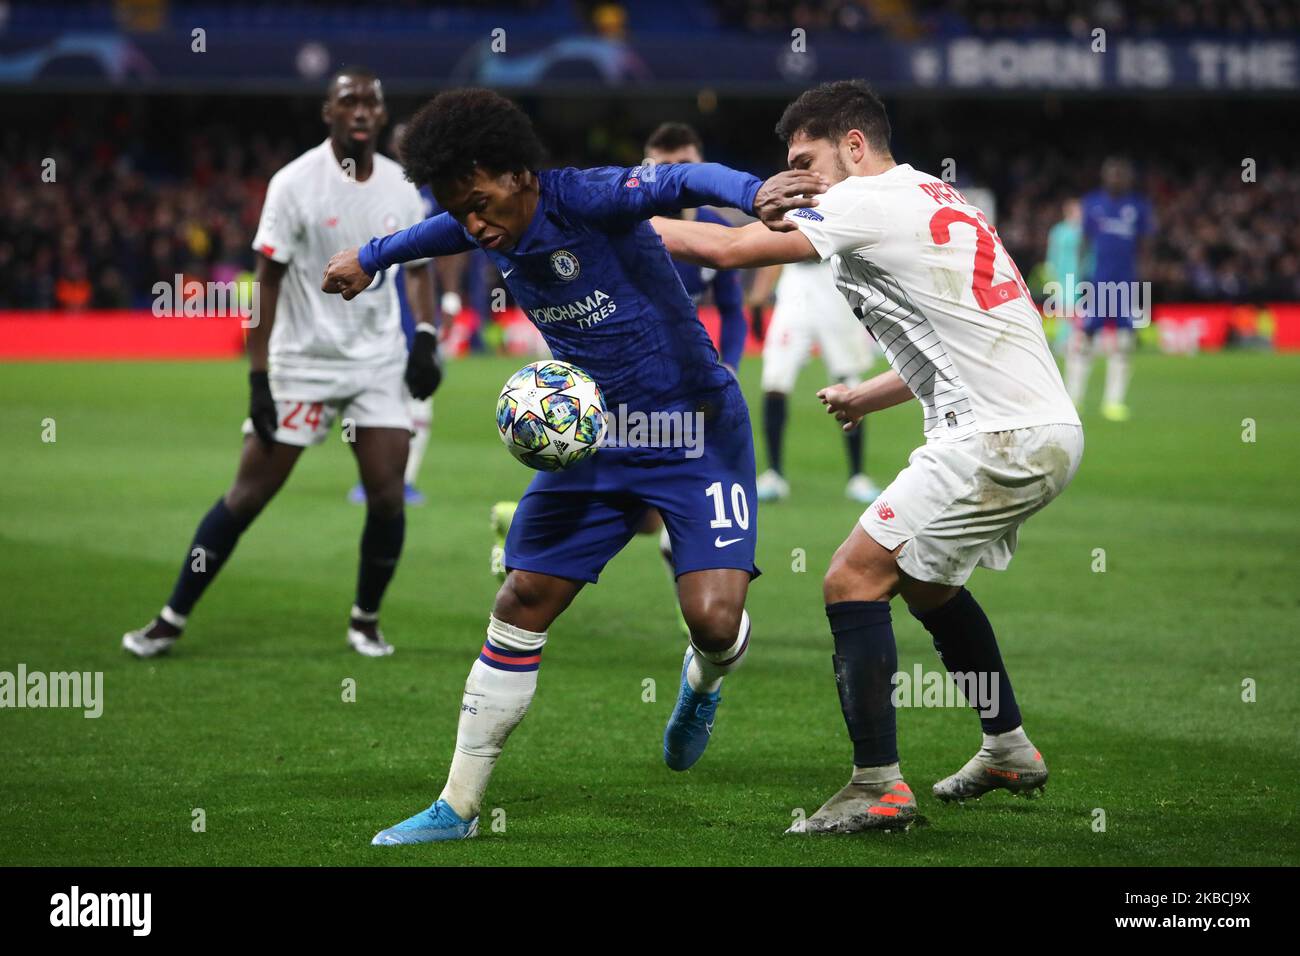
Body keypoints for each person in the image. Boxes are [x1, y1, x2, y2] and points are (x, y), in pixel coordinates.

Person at [320, 88, 817, 843]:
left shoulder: (586, 196)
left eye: (481, 202)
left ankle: (702, 682)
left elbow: (681, 181)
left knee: (715, 623)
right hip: (596, 444)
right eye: (463, 210)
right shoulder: (484, 222)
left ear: (517, 173)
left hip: (696, 432)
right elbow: (440, 233)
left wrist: (755, 193)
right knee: (522, 598)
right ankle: (456, 807)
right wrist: (370, 258)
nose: (476, 224)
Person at [654, 79, 1083, 834]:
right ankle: (1008, 746)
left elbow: (725, 249)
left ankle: (876, 785)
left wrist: (610, 218)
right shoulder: (936, 196)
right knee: (928, 588)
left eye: (804, 160)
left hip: (991, 435)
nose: (794, 180)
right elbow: (961, 338)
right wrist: (866, 395)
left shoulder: (861, 199)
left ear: (854, 147)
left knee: (852, 577)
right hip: (1036, 426)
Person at [121, 67, 440, 660]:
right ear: (329, 113)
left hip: (376, 361)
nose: (363, 110)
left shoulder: (401, 186)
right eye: (350, 101)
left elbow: (419, 270)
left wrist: (425, 334)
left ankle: (365, 622)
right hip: (303, 361)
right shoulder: (294, 183)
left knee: (388, 495)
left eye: (372, 100)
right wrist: (258, 378)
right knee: (248, 494)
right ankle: (170, 617)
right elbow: (264, 284)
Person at [490, 121, 748, 644]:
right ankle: (529, 532)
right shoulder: (618, 219)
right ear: (647, 169)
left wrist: (732, 364)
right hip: (623, 397)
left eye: (685, 161)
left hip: (682, 386)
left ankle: (701, 608)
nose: (674, 173)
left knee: (652, 516)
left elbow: (733, 302)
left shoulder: (707, 226)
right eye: (662, 163)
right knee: (649, 515)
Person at [747, 259, 880, 504]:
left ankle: (858, 476)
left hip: (834, 280)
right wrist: (759, 294)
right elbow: (778, 240)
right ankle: (774, 473)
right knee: (775, 378)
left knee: (848, 379)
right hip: (796, 280)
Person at [1066, 158, 1154, 421]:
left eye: (1121, 174)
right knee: (1084, 342)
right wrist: (1080, 277)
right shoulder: (1092, 203)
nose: (1116, 178)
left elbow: (1146, 243)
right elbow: (1084, 242)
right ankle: (1073, 398)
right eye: (1112, 174)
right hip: (1097, 283)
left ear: (1128, 178)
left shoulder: (1138, 206)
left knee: (1124, 343)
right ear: (1104, 177)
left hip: (1126, 284)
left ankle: (1114, 403)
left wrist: (1144, 278)